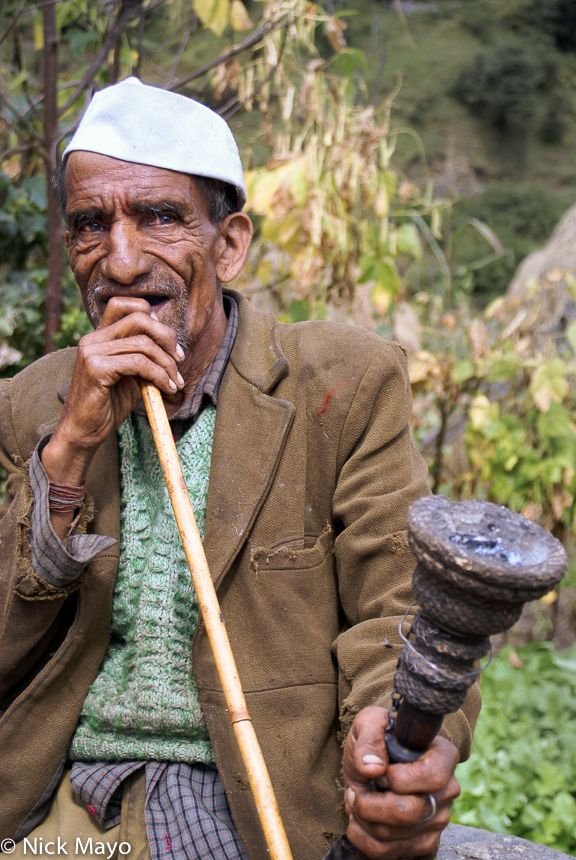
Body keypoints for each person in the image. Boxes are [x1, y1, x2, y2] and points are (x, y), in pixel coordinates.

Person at [0, 78, 480, 860]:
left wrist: (394, 734)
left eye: (160, 218)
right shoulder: (35, 402)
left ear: (228, 245)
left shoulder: (342, 384)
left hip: (246, 804)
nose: (120, 261)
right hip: (61, 805)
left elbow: (397, 607)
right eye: (92, 226)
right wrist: (70, 450)